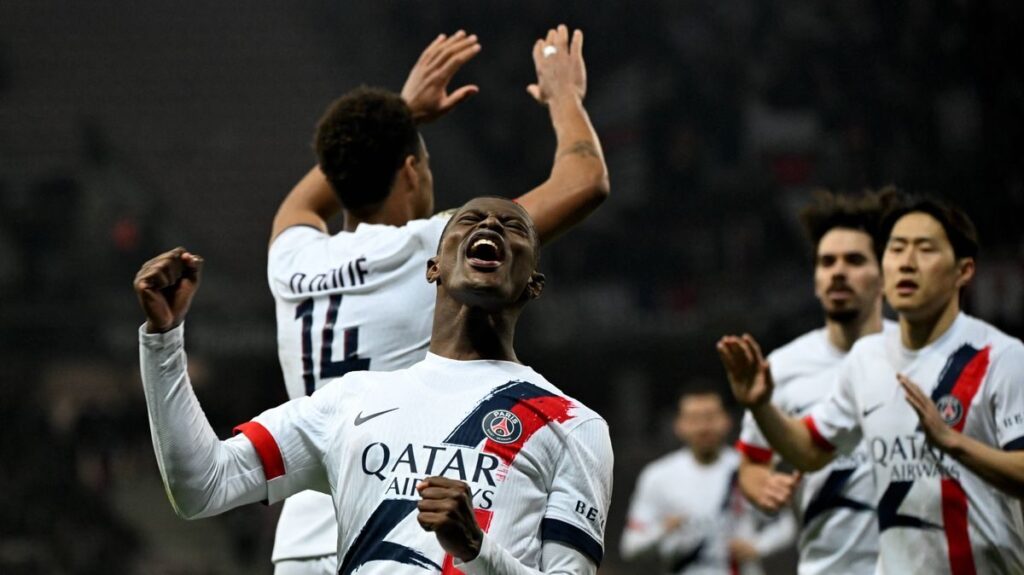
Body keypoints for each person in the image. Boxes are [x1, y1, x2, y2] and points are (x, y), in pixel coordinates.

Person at [267, 26, 608, 574]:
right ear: (410, 170)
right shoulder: (429, 245)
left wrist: (398, 118)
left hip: (303, 534)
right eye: (422, 160)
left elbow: (303, 201)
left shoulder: (292, 256)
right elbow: (584, 181)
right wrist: (564, 93)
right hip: (394, 515)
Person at [134, 197, 613, 575]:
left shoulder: (573, 424)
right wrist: (163, 341)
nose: (489, 225)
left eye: (512, 226)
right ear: (433, 267)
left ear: (533, 283)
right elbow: (202, 485)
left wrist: (476, 549)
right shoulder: (349, 401)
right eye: (470, 220)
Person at [719, 194, 1024, 573]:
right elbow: (811, 449)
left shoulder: (1003, 357)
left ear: (963, 272)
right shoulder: (865, 360)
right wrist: (761, 406)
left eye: (925, 250)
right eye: (897, 250)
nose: (907, 262)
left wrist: (954, 444)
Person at [726, 190, 890, 574]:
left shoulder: (917, 359)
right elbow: (752, 463)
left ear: (884, 274)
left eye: (854, 260)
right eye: (826, 262)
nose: (838, 271)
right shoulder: (781, 369)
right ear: (815, 280)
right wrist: (762, 488)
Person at [620, 389, 795, 574]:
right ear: (679, 425)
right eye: (694, 419)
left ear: (726, 421)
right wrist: (663, 530)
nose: (704, 427)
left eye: (710, 417)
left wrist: (758, 546)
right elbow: (631, 546)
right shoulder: (658, 476)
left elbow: (786, 524)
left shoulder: (749, 470)